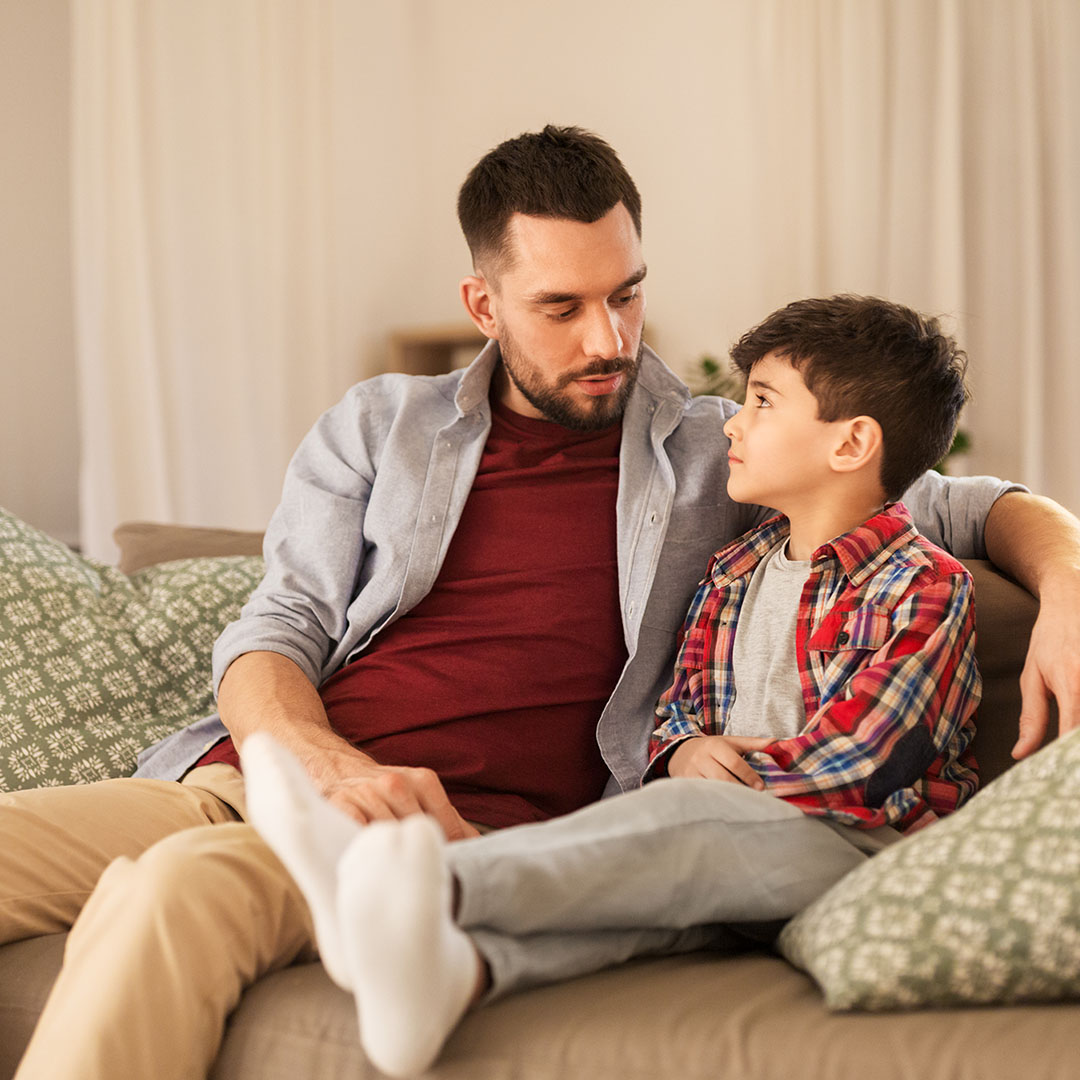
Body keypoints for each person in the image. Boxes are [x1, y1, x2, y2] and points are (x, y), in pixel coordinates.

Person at [4, 127, 1078, 1080]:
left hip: (434, 831)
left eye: (626, 294)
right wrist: (316, 760)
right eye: (561, 308)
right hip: (253, 782)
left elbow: (958, 500)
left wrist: (1070, 583)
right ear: (483, 305)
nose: (607, 338)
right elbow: (276, 623)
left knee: (178, 892)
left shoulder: (723, 451)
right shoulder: (378, 427)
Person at [241, 293, 984, 1077]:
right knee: (639, 911)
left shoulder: (921, 586)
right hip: (730, 851)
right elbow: (682, 705)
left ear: (852, 444)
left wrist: (718, 786)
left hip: (862, 845)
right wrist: (684, 751)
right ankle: (455, 976)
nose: (732, 422)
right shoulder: (734, 570)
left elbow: (863, 762)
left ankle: (422, 884)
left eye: (763, 403)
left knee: (689, 828)